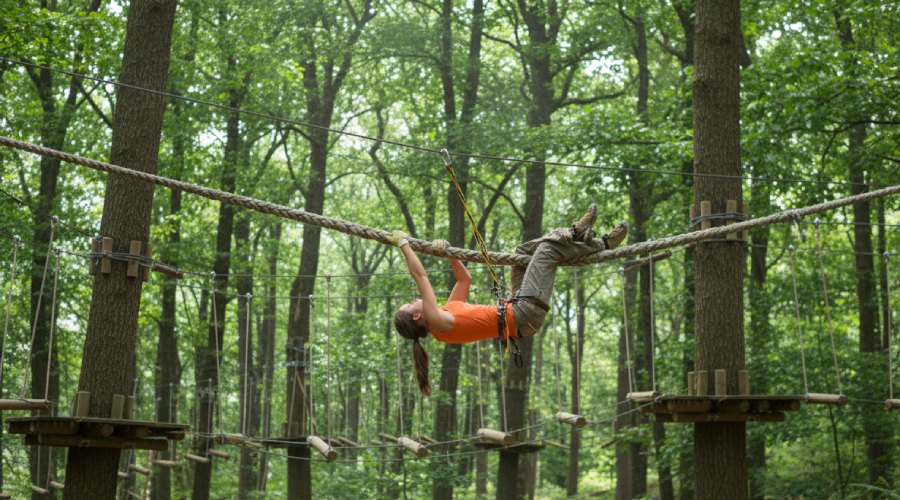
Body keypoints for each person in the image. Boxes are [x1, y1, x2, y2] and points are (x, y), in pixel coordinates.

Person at [389, 204, 628, 395]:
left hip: (517, 307)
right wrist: (405, 245)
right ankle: (597, 241)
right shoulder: (436, 322)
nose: (414, 300)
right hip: (524, 314)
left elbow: (464, 280)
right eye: (410, 305)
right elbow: (420, 276)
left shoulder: (444, 313)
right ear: (417, 316)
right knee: (546, 252)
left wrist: (449, 253)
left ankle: (580, 235)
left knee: (522, 253)